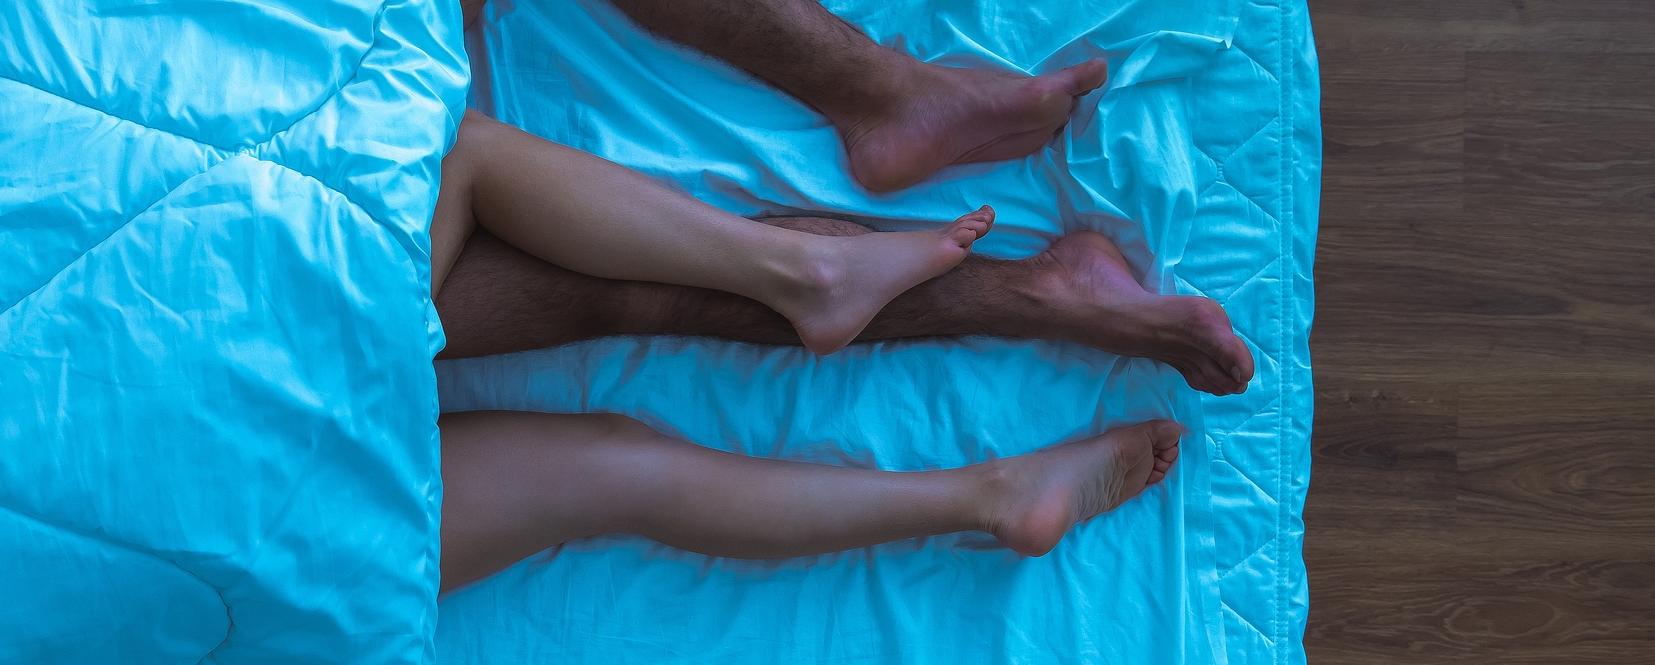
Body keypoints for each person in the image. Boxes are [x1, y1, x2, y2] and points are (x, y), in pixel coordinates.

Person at [437, 0, 1253, 397]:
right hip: (321, 285)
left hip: (324, 100)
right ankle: (1032, 295)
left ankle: (883, 97)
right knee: (624, 290)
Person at [428, 112, 1181, 589]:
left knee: (617, 472)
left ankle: (989, 497)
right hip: (309, 422)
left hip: (316, 588)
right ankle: (809, 271)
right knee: (460, 152)